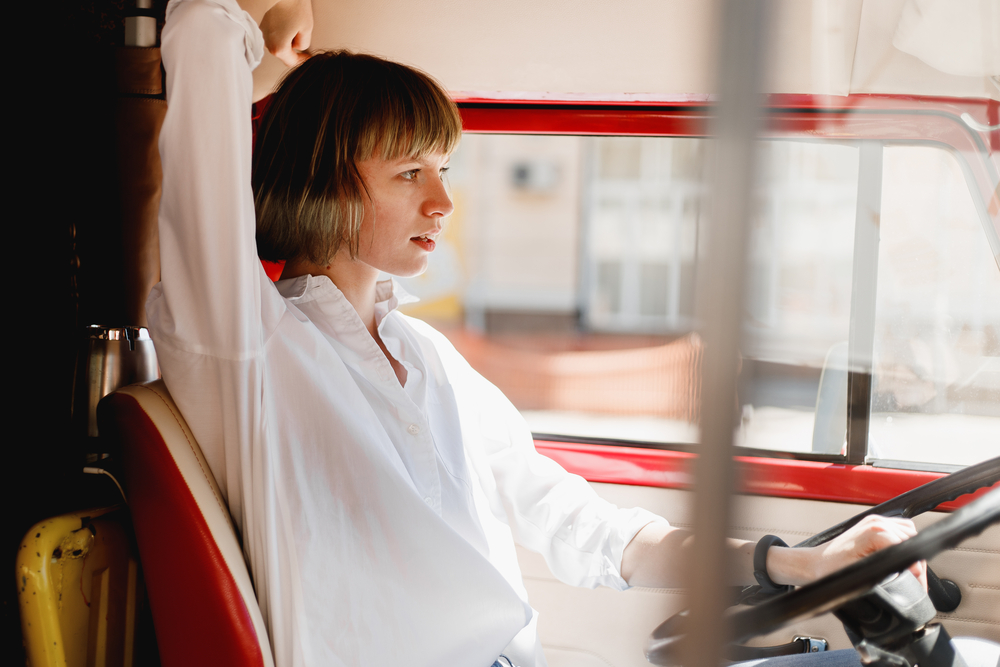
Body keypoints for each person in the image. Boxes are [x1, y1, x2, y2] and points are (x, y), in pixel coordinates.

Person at [150, 0, 927, 665]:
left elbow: (586, 526)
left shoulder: (429, 360)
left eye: (445, 170)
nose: (443, 204)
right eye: (409, 173)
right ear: (321, 180)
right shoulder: (251, 344)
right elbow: (200, 53)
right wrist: (267, 20)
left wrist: (801, 560)